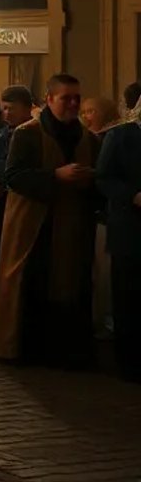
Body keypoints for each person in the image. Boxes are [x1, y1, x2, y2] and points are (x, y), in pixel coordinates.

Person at [0, 74, 102, 367]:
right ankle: (28, 349)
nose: (72, 104)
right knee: (32, 284)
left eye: (76, 98)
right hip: (34, 225)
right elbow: (14, 176)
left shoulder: (88, 138)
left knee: (70, 285)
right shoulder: (27, 133)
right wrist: (55, 176)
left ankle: (67, 351)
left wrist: (89, 180)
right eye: (66, 98)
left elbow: (98, 182)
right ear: (49, 99)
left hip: (72, 224)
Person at [94, 94, 141, 380]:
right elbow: (104, 177)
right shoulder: (121, 136)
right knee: (129, 295)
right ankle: (131, 361)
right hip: (130, 228)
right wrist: (132, 196)